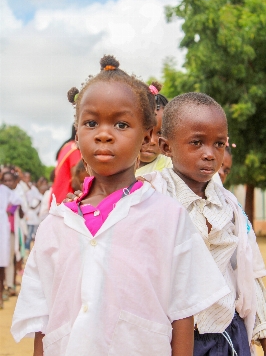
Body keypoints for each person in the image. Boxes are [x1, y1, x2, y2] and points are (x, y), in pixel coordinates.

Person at [11, 56, 229, 356]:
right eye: (91, 123)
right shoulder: (55, 225)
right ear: (77, 135)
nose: (103, 133)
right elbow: (42, 323)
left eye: (121, 124)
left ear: (147, 137)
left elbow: (183, 311)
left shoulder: (168, 216)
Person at [141, 92, 266, 355]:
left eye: (218, 144)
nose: (210, 154)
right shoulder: (149, 197)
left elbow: (246, 272)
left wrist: (262, 333)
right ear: (166, 147)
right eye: (197, 143)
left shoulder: (229, 206)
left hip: (229, 335)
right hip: (173, 340)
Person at [136, 81, 172, 176]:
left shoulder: (169, 168)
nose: (152, 141)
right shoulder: (116, 165)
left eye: (160, 133)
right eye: (146, 130)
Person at [0, 175, 21, 308]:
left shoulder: (4, 190)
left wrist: (9, 212)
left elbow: (17, 201)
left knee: (1, 264)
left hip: (2, 228)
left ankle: (0, 295)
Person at [50, 125, 81, 204]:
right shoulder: (75, 148)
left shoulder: (67, 146)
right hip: (65, 202)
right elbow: (76, 180)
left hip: (57, 200)